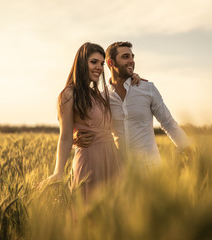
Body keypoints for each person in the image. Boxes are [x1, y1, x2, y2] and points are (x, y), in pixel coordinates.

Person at [75, 41, 191, 170]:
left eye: (132, 57)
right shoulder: (102, 98)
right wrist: (75, 137)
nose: (131, 61)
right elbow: (93, 129)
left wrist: (187, 148)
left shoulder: (148, 89)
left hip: (151, 169)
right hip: (119, 172)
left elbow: (168, 122)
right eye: (125, 57)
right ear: (111, 63)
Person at [38, 42, 129, 202]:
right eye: (93, 62)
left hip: (112, 161)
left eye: (101, 63)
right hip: (89, 163)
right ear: (81, 63)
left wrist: (133, 77)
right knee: (89, 218)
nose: (99, 67)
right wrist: (58, 171)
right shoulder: (68, 95)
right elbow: (65, 136)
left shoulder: (98, 95)